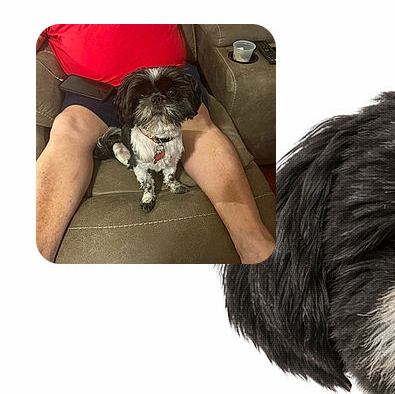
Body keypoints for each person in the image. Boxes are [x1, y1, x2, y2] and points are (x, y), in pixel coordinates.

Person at [36, 24, 275, 264]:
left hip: (169, 81)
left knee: (197, 125)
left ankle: (253, 242)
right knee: (67, 129)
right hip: (94, 91)